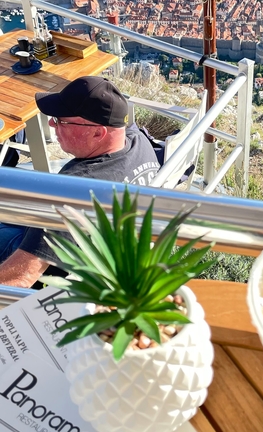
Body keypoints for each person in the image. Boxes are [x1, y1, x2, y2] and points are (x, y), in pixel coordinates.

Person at [0, 76, 160, 288]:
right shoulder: (136, 141)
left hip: (54, 264)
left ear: (97, 132)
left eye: (61, 120)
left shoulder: (76, 189)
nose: (51, 123)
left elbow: (20, 278)